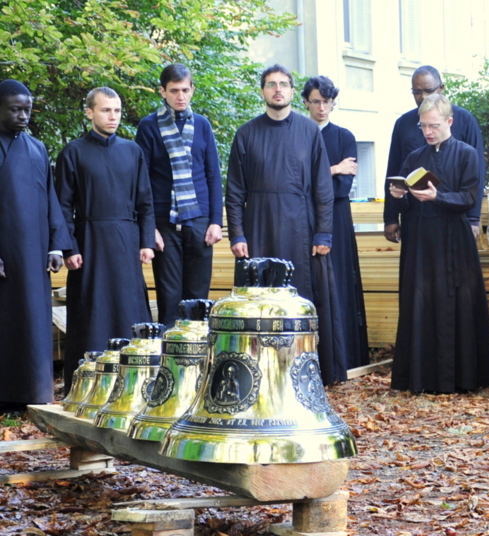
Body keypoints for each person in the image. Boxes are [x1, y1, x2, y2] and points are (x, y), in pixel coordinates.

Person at [226, 64, 348, 385]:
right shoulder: (246, 133)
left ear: (293, 92)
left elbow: (323, 186)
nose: (277, 89)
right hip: (259, 226)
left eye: (283, 84)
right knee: (260, 299)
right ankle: (262, 372)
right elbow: (235, 191)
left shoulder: (309, 132)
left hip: (301, 228)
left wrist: (323, 231)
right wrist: (237, 233)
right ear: (263, 91)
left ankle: (307, 368)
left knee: (303, 296)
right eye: (270, 84)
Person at [389, 94, 489, 393]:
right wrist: (401, 198)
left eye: (433, 125)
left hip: (453, 239)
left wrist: (438, 197)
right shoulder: (414, 157)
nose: (427, 132)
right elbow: (407, 204)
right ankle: (419, 377)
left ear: (449, 121)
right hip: (420, 241)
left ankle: (459, 378)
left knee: (455, 304)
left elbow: (468, 197)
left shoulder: (466, 154)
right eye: (423, 126)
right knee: (419, 303)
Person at [56, 87, 156, 392]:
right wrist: (69, 246)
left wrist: (146, 241)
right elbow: (62, 204)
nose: (112, 116)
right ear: (89, 113)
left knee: (127, 307)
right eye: (105, 110)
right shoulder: (73, 152)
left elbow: (145, 201)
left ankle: (134, 382)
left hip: (126, 242)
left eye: (116, 110)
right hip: (89, 242)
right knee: (91, 310)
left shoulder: (132, 151)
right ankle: (85, 385)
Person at [0, 79, 71, 412]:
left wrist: (56, 246)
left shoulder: (37, 148)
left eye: (27, 109)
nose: (23, 115)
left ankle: (31, 393)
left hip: (33, 253)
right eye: (16, 109)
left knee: (31, 320)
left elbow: (51, 199)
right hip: (3, 252)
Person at [136, 64, 223, 327]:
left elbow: (213, 175)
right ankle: (171, 362)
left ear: (192, 89)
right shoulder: (149, 126)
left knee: (198, 298)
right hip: (164, 222)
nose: (180, 96)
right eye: (174, 91)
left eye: (185, 90)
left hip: (199, 219)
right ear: (163, 91)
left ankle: (198, 357)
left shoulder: (203, 125)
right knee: (170, 296)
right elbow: (142, 182)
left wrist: (216, 221)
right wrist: (149, 227)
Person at [301, 75, 369, 370]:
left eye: (327, 102)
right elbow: (294, 182)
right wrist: (332, 168)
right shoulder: (298, 133)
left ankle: (341, 357)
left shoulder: (344, 137)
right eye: (316, 101)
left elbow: (342, 188)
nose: (321, 108)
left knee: (338, 283)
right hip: (303, 218)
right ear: (305, 102)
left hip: (337, 220)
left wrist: (322, 176)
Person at [383, 65, 486, 244]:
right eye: (417, 92)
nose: (423, 97)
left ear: (441, 88)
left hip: (454, 218)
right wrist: (390, 218)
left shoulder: (465, 120)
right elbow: (394, 170)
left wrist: (473, 218)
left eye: (428, 91)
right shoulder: (403, 123)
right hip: (416, 218)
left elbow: (476, 175)